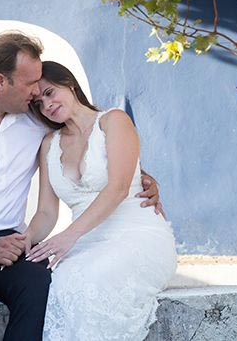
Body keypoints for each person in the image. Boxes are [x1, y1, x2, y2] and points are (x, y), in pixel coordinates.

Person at [0, 31, 161, 340]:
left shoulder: (34, 121)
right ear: (0, 82)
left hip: (10, 241)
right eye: (30, 83)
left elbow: (92, 142)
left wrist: (142, 177)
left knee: (41, 286)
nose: (37, 92)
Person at [23, 61, 177, 340]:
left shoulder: (113, 121)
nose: (46, 105)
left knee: (96, 280)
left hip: (137, 236)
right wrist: (26, 238)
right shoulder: (49, 144)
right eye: (37, 103)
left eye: (49, 92)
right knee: (61, 285)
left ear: (68, 83)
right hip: (85, 246)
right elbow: (46, 212)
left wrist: (67, 237)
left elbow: (118, 188)